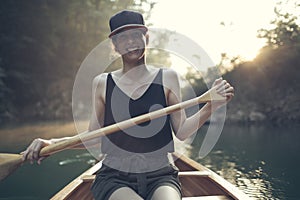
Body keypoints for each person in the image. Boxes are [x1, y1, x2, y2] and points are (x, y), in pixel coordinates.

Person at [22, 10, 234, 200]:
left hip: (160, 174)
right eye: (123, 37)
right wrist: (51, 143)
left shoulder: (168, 78)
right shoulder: (102, 83)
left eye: (135, 35)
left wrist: (210, 105)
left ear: (146, 37)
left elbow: (182, 131)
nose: (131, 42)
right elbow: (94, 137)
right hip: (115, 177)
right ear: (114, 45)